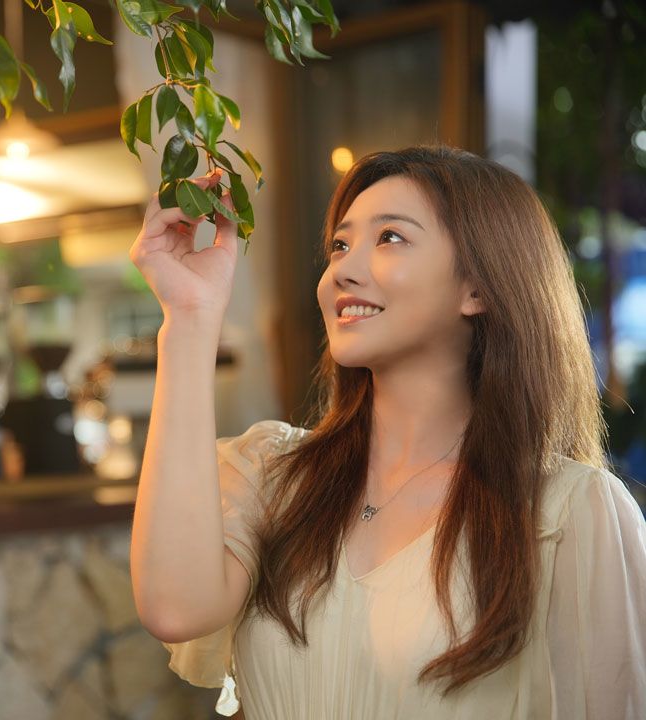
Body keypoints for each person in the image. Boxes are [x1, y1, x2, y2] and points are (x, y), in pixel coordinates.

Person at [128, 145, 646, 719]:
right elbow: (175, 609)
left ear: (477, 287)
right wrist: (190, 318)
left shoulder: (568, 514)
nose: (341, 271)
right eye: (340, 245)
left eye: (390, 237)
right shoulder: (275, 477)